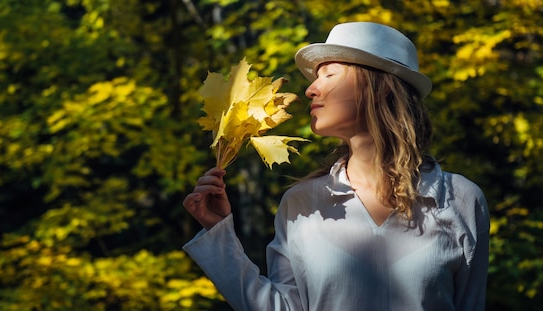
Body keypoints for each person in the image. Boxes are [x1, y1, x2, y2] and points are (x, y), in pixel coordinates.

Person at [182, 22, 489, 311]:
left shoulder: (459, 199)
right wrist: (218, 232)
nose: (310, 90)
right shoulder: (302, 204)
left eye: (329, 75)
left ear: (381, 86)